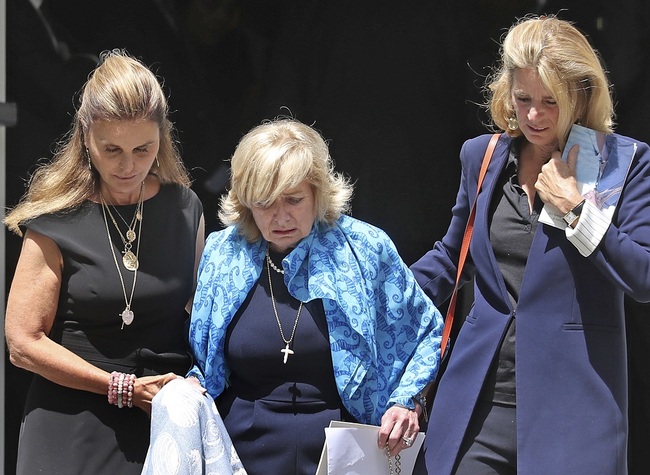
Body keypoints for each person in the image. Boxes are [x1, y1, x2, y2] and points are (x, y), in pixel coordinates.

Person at [410, 15, 650, 475]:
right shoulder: (482, 156)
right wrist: (379, 290)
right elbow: (451, 258)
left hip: (573, 410)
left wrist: (578, 209)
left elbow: (642, 276)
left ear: (581, 95)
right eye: (523, 99)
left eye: (550, 102)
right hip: (477, 403)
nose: (534, 116)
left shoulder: (621, 162)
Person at [184, 117, 444, 474]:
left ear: (318, 192)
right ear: (245, 202)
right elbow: (206, 366)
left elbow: (424, 333)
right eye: (264, 202)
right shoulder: (223, 253)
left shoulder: (365, 249)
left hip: (347, 453)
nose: (280, 216)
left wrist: (406, 402)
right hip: (240, 452)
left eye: (293, 199)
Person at [4, 49, 205, 474]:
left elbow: (205, 323)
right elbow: (22, 343)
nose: (128, 165)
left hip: (163, 426)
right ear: (84, 136)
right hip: (69, 423)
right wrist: (122, 388)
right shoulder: (54, 220)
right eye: (111, 148)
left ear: (161, 138)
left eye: (143, 148)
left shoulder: (185, 209)